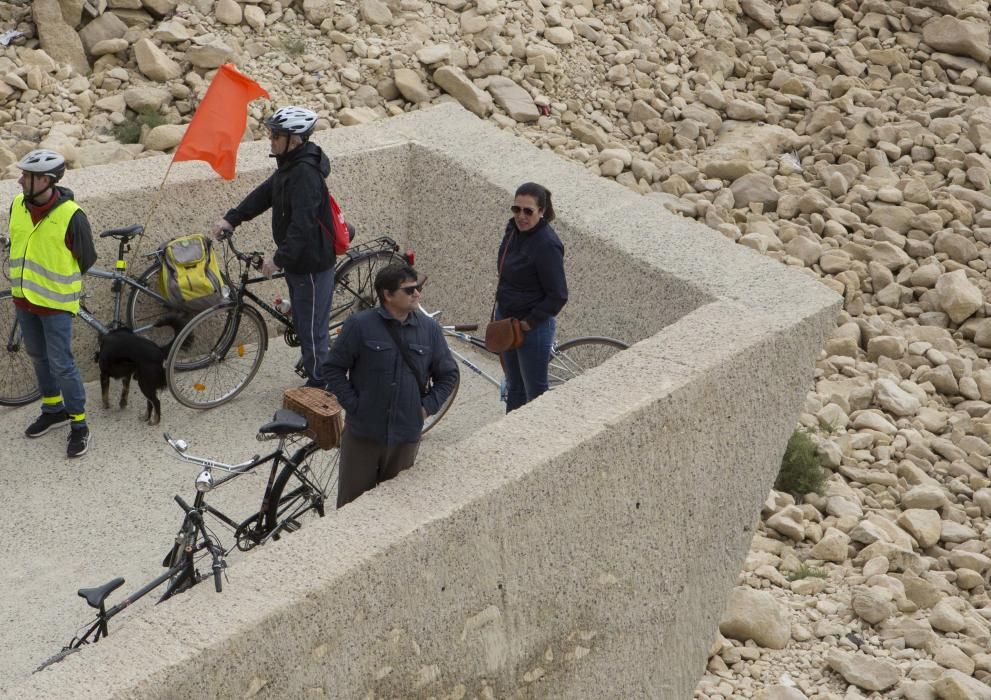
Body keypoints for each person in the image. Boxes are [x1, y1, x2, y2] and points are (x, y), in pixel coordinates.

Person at [211, 105, 335, 388]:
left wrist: (278, 259)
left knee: (312, 330)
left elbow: (302, 225)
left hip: (311, 263)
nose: (271, 140)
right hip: (298, 261)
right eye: (271, 134)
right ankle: (315, 359)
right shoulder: (290, 165)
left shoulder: (305, 174)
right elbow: (266, 193)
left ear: (294, 139)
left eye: (276, 135)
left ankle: (321, 385)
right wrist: (233, 218)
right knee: (304, 320)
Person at [324, 263, 458, 508]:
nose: (417, 294)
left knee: (394, 509)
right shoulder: (359, 326)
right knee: (351, 510)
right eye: (409, 290)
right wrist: (354, 405)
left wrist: (426, 408)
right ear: (387, 294)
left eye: (417, 288)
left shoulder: (429, 329)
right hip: (363, 435)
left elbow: (448, 375)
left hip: (404, 438)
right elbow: (332, 368)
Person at [8, 149, 97, 458]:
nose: (19, 179)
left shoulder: (73, 215)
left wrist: (55, 285)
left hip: (55, 305)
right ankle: (52, 409)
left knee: (62, 363)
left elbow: (86, 259)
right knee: (38, 357)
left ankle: (79, 424)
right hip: (24, 300)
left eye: (27, 176)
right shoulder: (18, 204)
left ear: (45, 180)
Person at [495, 182, 568, 412]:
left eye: (528, 211)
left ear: (541, 212)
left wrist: (528, 323)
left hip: (531, 328)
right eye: (516, 209)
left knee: (535, 393)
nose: (521, 216)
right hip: (507, 321)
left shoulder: (547, 245)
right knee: (514, 387)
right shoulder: (512, 231)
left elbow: (558, 295)